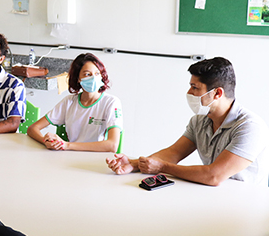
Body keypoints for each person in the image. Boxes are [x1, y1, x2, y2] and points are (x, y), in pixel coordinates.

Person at [107, 57, 269, 186]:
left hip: (245, 205)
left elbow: (213, 176)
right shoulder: (199, 120)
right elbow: (173, 153)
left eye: (195, 87)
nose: (189, 92)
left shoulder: (250, 127)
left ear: (217, 93)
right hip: (212, 197)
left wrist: (162, 167)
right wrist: (134, 164)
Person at [28, 53, 123, 152]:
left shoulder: (111, 102)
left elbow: (112, 145)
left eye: (97, 73)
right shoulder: (69, 102)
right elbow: (32, 128)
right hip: (70, 155)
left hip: (97, 157)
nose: (93, 78)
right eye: (87, 74)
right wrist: (46, 141)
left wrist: (67, 145)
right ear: (78, 78)